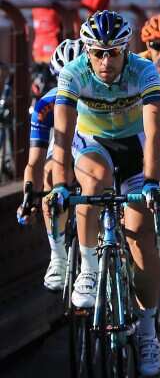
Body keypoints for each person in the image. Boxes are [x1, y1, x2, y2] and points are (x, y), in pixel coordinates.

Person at [48, 11, 160, 376]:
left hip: (134, 149)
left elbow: (155, 130)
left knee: (141, 239)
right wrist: (60, 185)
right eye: (97, 52)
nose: (104, 61)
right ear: (86, 50)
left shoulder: (144, 72)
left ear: (126, 51)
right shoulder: (74, 74)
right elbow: (63, 135)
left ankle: (147, 329)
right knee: (92, 181)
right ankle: (88, 266)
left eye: (113, 53)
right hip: (92, 145)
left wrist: (150, 182)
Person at [17, 39, 83, 291]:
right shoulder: (46, 105)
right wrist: (28, 197)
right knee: (49, 171)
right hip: (62, 157)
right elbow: (34, 161)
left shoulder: (101, 97)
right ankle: (58, 254)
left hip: (94, 152)